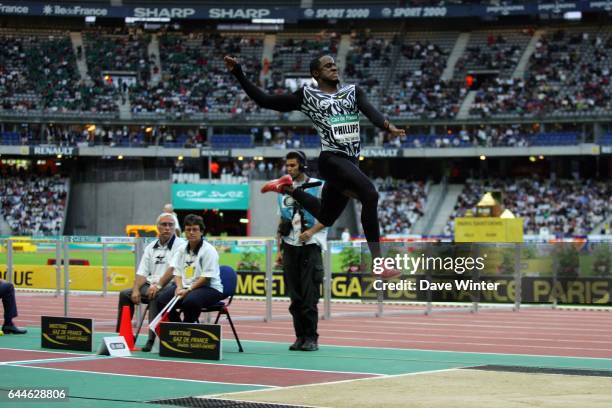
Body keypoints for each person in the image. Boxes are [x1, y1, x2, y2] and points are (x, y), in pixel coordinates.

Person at [225, 54, 404, 278]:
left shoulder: (353, 92)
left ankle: (288, 188)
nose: (334, 67)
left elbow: (370, 111)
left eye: (334, 64)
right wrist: (239, 74)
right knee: (370, 194)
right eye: (328, 65)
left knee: (325, 217)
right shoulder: (308, 95)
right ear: (316, 73)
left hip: (350, 163)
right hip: (331, 159)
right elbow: (266, 101)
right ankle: (379, 263)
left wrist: (388, 126)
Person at [276, 151, 327, 351]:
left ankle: (311, 338)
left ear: (302, 166)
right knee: (295, 297)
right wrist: (279, 249)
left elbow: (329, 216)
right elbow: (281, 221)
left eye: (293, 166)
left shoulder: (319, 186)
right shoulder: (283, 190)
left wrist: (312, 232)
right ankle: (299, 337)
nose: (289, 169)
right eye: (287, 166)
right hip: (289, 247)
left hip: (311, 246)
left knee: (309, 296)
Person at [115, 213, 184, 351]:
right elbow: (141, 272)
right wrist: (135, 289)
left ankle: (151, 340)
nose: (167, 228)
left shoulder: (181, 245)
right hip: (151, 285)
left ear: (174, 227)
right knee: (125, 294)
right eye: (164, 225)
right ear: (157, 227)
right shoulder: (150, 247)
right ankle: (122, 335)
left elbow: (172, 270)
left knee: (155, 295)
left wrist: (157, 286)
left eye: (171, 225)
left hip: (172, 286)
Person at [158, 214, 224, 323]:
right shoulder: (181, 249)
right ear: (184, 232)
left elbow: (205, 278)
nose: (191, 232)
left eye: (195, 229)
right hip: (185, 286)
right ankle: (177, 328)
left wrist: (188, 290)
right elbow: (177, 272)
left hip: (210, 288)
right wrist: (179, 287)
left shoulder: (209, 250)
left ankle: (187, 329)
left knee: (190, 301)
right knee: (161, 301)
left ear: (201, 232)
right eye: (188, 230)